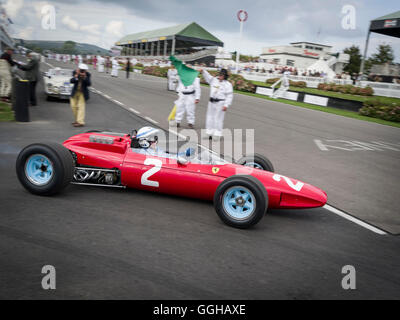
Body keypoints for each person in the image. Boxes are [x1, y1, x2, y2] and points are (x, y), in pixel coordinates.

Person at [199, 68, 233, 139]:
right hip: (211, 102)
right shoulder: (214, 80)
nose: (220, 76)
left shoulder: (228, 84)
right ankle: (209, 132)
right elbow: (207, 76)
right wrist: (203, 71)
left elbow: (229, 96)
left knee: (218, 118)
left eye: (222, 75)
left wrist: (226, 105)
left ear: (225, 76)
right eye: (220, 74)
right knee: (209, 117)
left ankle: (217, 133)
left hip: (220, 102)